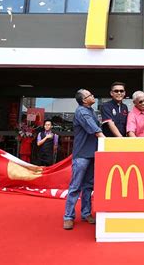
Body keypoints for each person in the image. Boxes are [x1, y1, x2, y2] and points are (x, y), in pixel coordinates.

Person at [63, 89, 105, 230]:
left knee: (88, 186)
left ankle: (86, 213)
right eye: (90, 95)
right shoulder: (81, 111)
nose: (93, 96)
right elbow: (94, 130)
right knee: (76, 186)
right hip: (82, 155)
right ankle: (68, 216)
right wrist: (108, 142)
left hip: (93, 154)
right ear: (84, 100)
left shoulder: (92, 111)